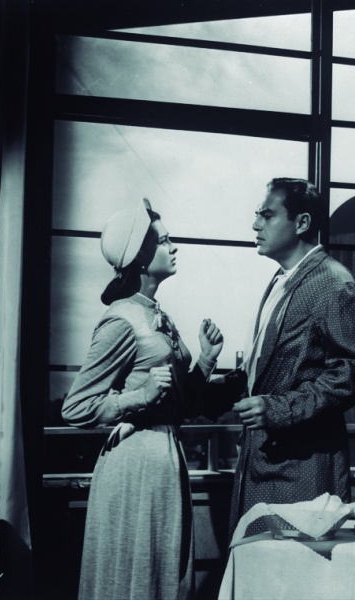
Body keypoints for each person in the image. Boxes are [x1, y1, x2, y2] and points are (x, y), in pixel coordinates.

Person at [61, 198, 223, 600]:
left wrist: (205, 359)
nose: (173, 247)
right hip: (134, 465)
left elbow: (181, 404)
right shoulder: (122, 319)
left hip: (164, 459)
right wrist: (140, 396)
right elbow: (76, 407)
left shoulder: (157, 316)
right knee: (136, 576)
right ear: (139, 257)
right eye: (164, 241)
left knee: (161, 575)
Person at [208, 178, 355, 539]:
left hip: (302, 469)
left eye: (267, 216)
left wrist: (278, 409)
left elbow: (354, 371)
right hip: (265, 464)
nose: (255, 225)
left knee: (292, 566)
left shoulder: (335, 284)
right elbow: (268, 371)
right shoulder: (281, 281)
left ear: (302, 223)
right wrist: (209, 390)